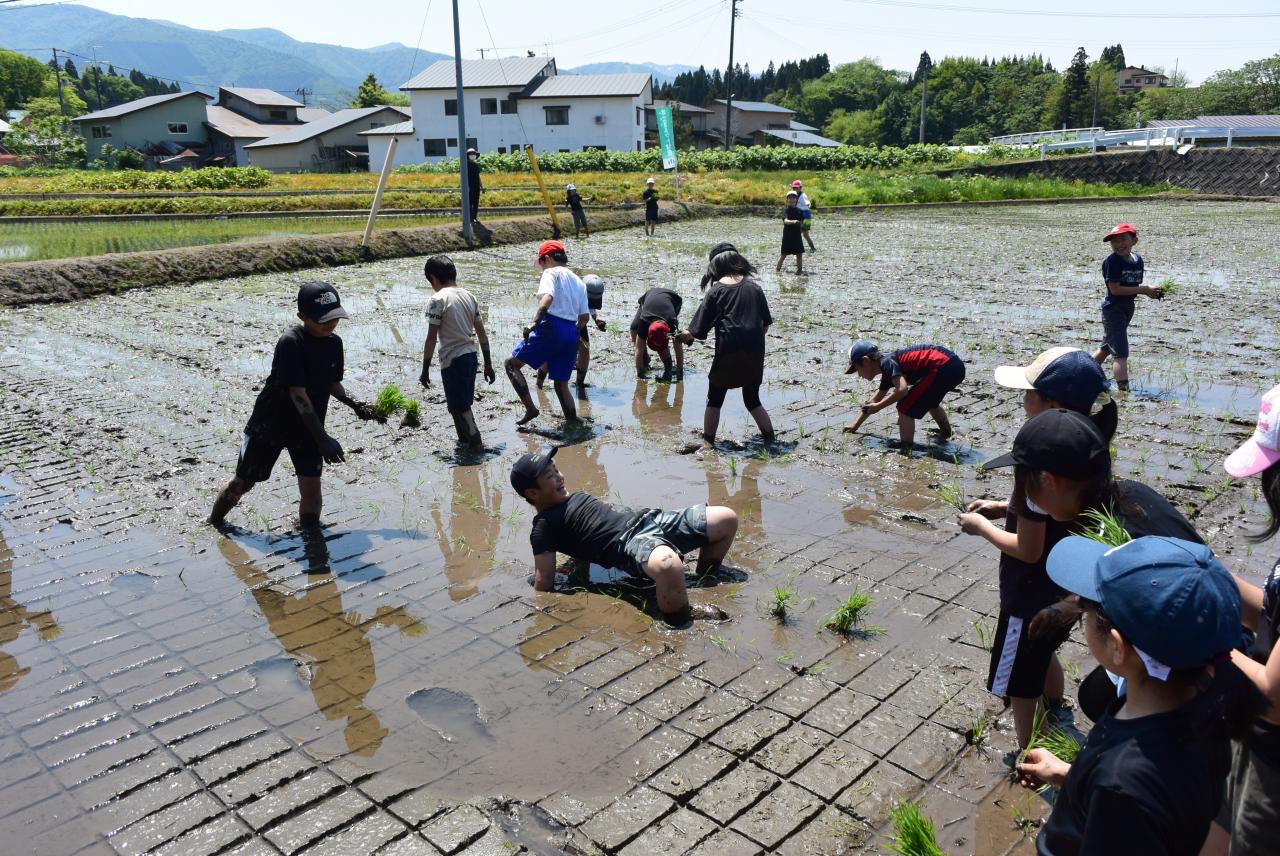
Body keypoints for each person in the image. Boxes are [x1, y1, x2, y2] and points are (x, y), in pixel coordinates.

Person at [1016, 534, 1266, 856]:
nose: (1083, 614)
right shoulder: (1213, 708)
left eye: (1089, 608)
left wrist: (1104, 788)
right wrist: (1071, 775)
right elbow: (1161, 803)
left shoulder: (1121, 786)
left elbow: (1130, 801)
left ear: (1118, 647)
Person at [982, 408, 1208, 724]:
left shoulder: (1112, 538)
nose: (1024, 502)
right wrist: (1071, 605)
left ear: (1048, 481)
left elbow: (1127, 579)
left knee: (1105, 702)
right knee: (1095, 694)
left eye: (1025, 491)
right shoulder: (1128, 494)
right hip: (1208, 625)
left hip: (1189, 655)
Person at [956, 347, 1114, 749]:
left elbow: (1027, 549)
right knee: (1044, 652)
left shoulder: (1035, 467)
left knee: (1018, 680)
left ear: (1052, 405)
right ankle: (1057, 707)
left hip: (1027, 594)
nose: (1023, 401)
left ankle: (1026, 749)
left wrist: (981, 527)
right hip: (1065, 588)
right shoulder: (1090, 451)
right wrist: (998, 506)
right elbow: (1053, 516)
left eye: (1028, 393)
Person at [209, 282, 384, 529]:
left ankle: (312, 540)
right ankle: (214, 521)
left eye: (334, 318)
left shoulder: (334, 344)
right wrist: (323, 439)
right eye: (322, 319)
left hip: (308, 427)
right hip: (271, 424)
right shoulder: (292, 341)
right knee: (244, 482)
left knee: (312, 490)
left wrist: (356, 405)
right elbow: (297, 394)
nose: (330, 325)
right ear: (302, 316)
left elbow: (332, 383)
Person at [512, 446, 737, 625]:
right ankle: (679, 619)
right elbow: (544, 581)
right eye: (550, 476)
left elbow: (581, 540)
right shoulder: (543, 526)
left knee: (726, 518)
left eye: (556, 470)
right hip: (631, 541)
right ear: (532, 493)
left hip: (652, 520)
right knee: (669, 565)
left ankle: (706, 575)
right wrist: (541, 592)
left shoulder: (572, 498)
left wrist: (578, 566)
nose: (560, 477)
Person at [1204, 384, 1280, 856]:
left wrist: (1212, 644)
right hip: (1253, 735)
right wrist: (1215, 577)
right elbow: (1272, 610)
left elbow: (1274, 694)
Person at [689, 246, 776, 447]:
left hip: (728, 349)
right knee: (752, 399)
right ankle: (770, 439)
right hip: (755, 350)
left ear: (715, 267)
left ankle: (708, 442)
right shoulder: (755, 288)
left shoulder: (716, 291)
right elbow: (765, 325)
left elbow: (697, 330)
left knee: (715, 398)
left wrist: (684, 336)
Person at [505, 240, 589, 425]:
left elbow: (547, 298)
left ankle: (531, 409)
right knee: (561, 383)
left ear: (548, 258)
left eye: (541, 262)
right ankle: (572, 421)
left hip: (552, 326)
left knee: (511, 365)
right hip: (572, 331)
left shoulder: (550, 272)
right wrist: (570, 333)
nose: (541, 267)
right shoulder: (579, 282)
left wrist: (534, 323)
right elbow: (584, 317)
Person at [419, 255, 496, 451]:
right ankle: (463, 442)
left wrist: (425, 369)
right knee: (456, 405)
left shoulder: (437, 299)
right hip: (471, 356)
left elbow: (431, 338)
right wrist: (488, 363)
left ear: (433, 278)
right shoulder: (469, 296)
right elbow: (481, 334)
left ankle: (477, 448)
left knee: (462, 408)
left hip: (453, 360)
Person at [843, 341, 965, 448]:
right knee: (929, 402)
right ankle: (946, 433)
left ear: (866, 360)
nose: (859, 375)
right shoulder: (887, 370)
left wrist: (878, 407)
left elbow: (902, 390)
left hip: (943, 365)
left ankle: (906, 447)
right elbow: (874, 400)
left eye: (857, 369)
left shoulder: (887, 363)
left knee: (904, 407)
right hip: (954, 366)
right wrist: (855, 425)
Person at [1090, 223, 1164, 392]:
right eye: (1114, 241)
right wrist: (1144, 290)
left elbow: (1132, 285)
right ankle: (1124, 392)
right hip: (1113, 309)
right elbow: (1115, 289)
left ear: (1134, 240)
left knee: (1107, 347)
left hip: (1128, 307)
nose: (1118, 244)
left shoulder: (1138, 260)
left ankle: (1081, 374)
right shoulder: (1112, 261)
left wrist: (1151, 291)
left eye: (1123, 239)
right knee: (1121, 354)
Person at [538, 273, 606, 390]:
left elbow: (589, 308)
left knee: (584, 350)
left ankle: (579, 383)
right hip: (561, 320)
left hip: (579, 322)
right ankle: (539, 384)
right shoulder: (569, 291)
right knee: (550, 351)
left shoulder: (584, 293)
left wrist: (597, 319)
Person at [630, 285, 693, 382]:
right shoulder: (644, 322)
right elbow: (639, 349)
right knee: (634, 328)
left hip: (673, 299)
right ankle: (645, 358)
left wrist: (679, 370)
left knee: (663, 344)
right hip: (650, 296)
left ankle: (668, 367)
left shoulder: (672, 323)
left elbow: (678, 346)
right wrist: (640, 374)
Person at [777, 190, 805, 275]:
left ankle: (799, 270)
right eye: (790, 198)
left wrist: (802, 227)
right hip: (787, 236)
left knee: (799, 254)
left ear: (796, 199)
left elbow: (802, 223)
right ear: (787, 200)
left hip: (797, 236)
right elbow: (785, 221)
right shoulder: (786, 210)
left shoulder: (800, 211)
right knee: (783, 255)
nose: (792, 199)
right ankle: (777, 270)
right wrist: (794, 222)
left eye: (793, 198)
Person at [792, 179, 816, 252]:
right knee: (805, 235)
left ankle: (796, 248)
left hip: (805, 217)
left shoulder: (802, 195)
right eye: (794, 188)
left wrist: (808, 205)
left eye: (797, 187)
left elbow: (807, 203)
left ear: (800, 188)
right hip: (801, 216)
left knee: (798, 233)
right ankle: (812, 248)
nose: (795, 189)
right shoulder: (796, 195)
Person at [466, 148, 482, 223]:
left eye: (474, 154)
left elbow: (478, 176)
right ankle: (470, 218)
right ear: (468, 156)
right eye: (471, 154)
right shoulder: (466, 166)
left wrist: (481, 186)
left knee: (476, 203)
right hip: (469, 187)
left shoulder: (476, 165)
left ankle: (474, 217)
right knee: (470, 203)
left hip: (476, 186)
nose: (473, 156)